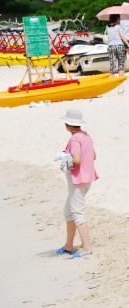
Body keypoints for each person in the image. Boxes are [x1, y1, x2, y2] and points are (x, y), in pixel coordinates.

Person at [55, 109, 97, 258]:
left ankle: (87, 247)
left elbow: (77, 160)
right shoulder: (86, 136)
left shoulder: (74, 139)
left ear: (68, 125)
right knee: (69, 212)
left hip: (78, 181)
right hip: (86, 180)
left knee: (77, 213)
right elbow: (93, 156)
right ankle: (69, 246)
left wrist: (64, 157)